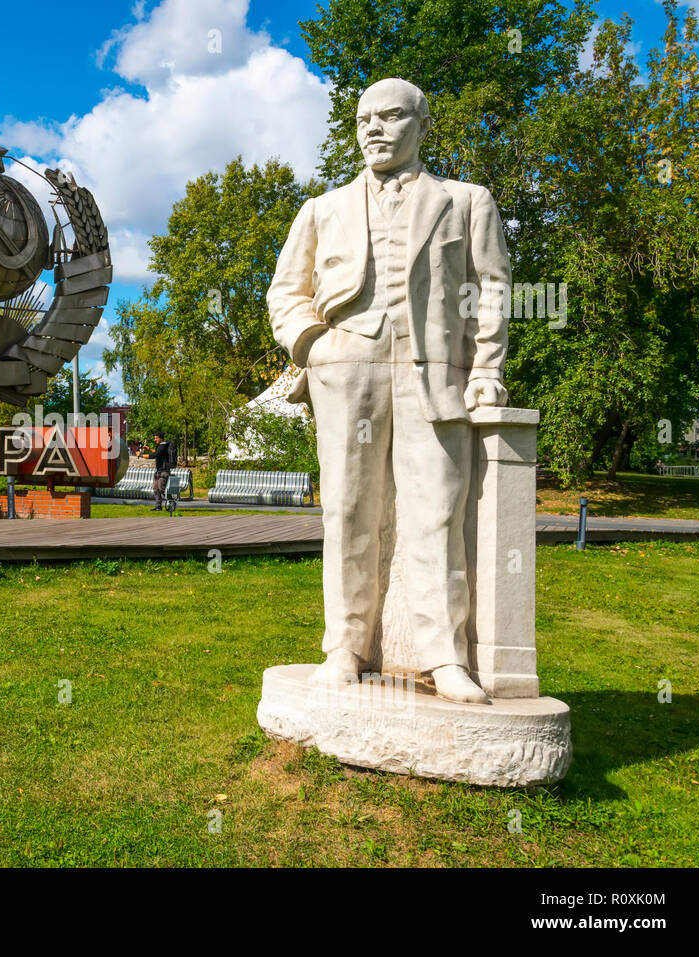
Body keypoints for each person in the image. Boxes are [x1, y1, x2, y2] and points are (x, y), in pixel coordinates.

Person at [266, 78, 511, 705]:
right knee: (348, 511)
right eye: (363, 118)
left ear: (422, 124)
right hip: (348, 369)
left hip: (436, 375)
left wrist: (486, 370)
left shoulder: (466, 201)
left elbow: (491, 290)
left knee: (435, 515)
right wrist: (314, 346)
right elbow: (285, 294)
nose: (373, 128)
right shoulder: (322, 209)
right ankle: (345, 647)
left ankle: (442, 656)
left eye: (391, 116)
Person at [150, 432, 175, 509]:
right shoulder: (160, 446)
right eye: (155, 438)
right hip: (158, 471)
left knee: (161, 488)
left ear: (161, 438)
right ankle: (158, 506)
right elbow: (157, 453)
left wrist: (141, 455)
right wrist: (149, 449)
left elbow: (155, 455)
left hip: (164, 472)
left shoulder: (163, 446)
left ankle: (171, 502)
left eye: (156, 438)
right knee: (155, 489)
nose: (155, 440)